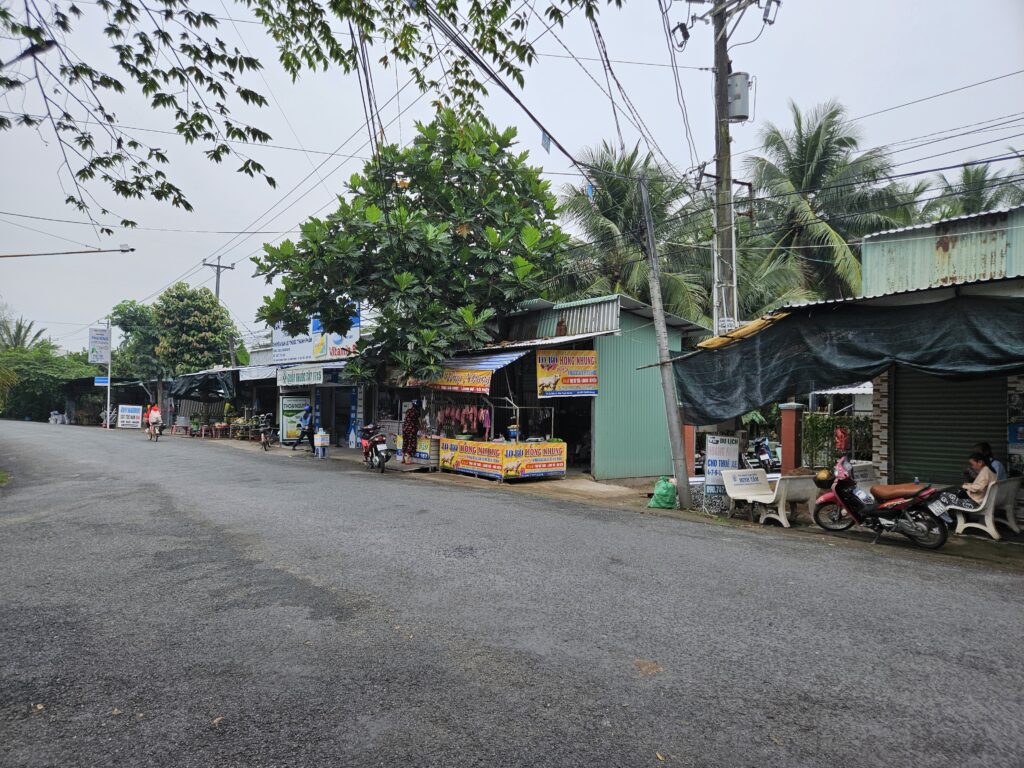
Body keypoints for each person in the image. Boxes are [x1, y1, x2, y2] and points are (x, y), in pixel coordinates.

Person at [934, 452, 997, 522]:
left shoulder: (985, 471)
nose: (972, 467)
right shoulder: (990, 470)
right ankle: (945, 518)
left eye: (972, 464)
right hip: (983, 501)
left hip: (976, 504)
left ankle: (939, 519)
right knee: (952, 494)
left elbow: (979, 487)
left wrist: (965, 486)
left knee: (944, 495)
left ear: (980, 462)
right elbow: (981, 485)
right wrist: (968, 485)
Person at [401, 401, 422, 465]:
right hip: (411, 429)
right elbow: (420, 421)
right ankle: (407, 460)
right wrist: (422, 428)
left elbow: (407, 419)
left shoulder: (408, 410)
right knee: (411, 443)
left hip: (405, 428)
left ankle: (402, 459)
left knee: (405, 442)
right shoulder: (417, 412)